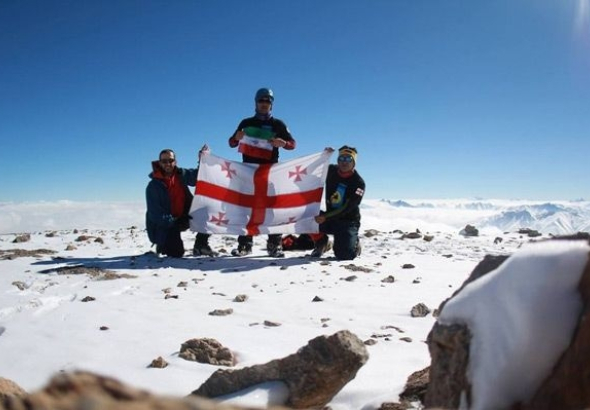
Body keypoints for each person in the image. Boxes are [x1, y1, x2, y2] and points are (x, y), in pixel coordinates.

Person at [228, 87, 296, 257]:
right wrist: (236, 138)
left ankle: (274, 245)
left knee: (273, 208)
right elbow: (231, 142)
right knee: (247, 207)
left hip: (270, 171)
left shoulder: (278, 124)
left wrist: (283, 144)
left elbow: (293, 144)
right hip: (248, 171)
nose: (264, 104)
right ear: (256, 102)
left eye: (268, 101)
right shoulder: (246, 123)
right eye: (261, 101)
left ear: (272, 104)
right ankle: (245, 245)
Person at [145, 149, 216, 257]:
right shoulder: (153, 186)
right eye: (164, 161)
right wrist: (175, 222)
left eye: (170, 160)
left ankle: (201, 245)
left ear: (175, 162)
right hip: (165, 225)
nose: (168, 164)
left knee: (209, 208)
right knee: (176, 253)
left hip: (183, 217)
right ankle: (162, 244)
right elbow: (156, 216)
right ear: (159, 163)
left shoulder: (180, 175)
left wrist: (202, 160)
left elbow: (199, 176)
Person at [310, 145, 365, 260]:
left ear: (354, 162)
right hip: (330, 219)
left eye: (348, 159)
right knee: (306, 216)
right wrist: (323, 156)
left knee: (344, 255)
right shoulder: (330, 171)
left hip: (348, 221)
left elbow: (348, 207)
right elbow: (311, 170)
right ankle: (322, 242)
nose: (344, 162)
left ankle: (353, 241)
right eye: (341, 158)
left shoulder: (358, 183)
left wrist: (326, 216)